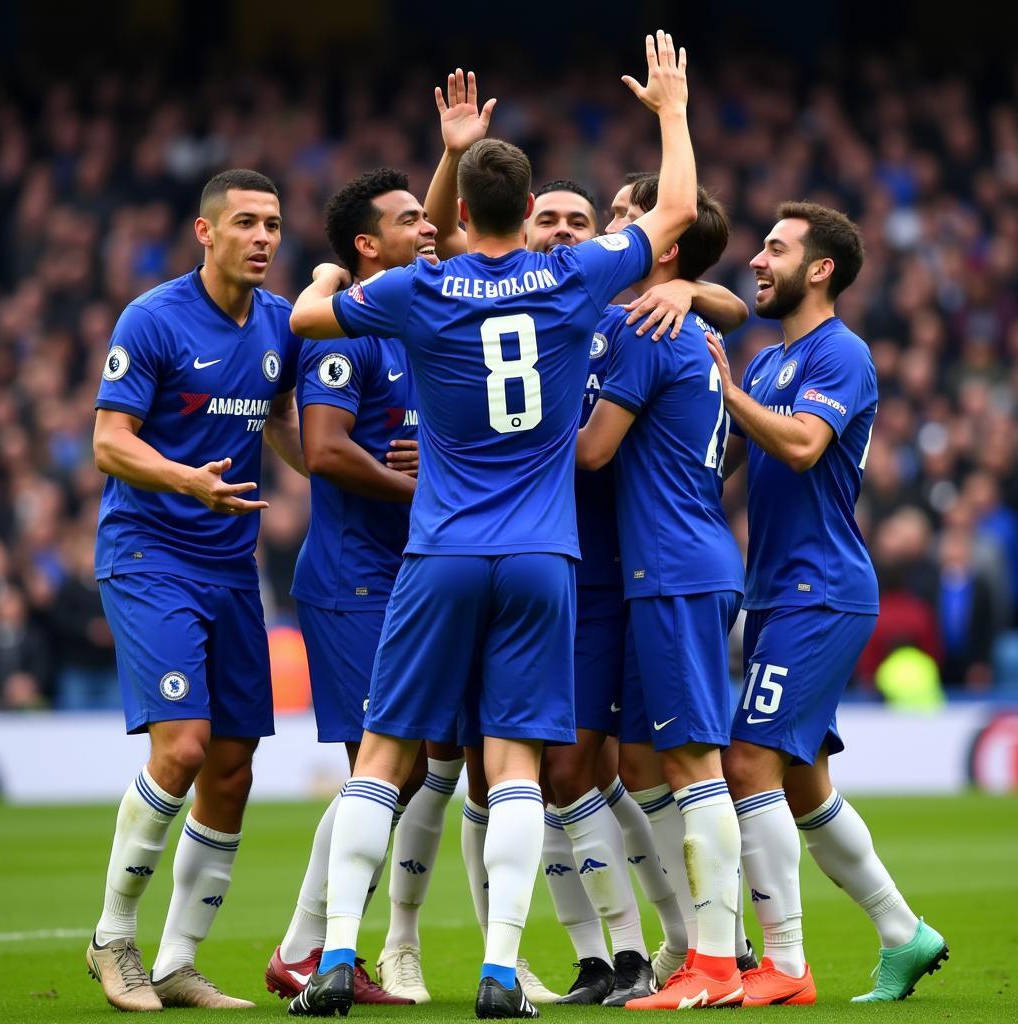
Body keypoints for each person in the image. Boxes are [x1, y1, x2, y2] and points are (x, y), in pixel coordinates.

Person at [286, 32, 700, 1019]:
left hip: (439, 551)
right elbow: (680, 210)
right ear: (531, 214)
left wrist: (320, 279)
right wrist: (672, 111)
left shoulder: (420, 290)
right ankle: (503, 971)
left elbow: (312, 320)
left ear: (462, 213)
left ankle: (339, 955)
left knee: (386, 756)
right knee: (516, 765)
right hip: (543, 557)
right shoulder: (576, 279)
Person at [704, 201, 947, 1004]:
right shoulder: (774, 361)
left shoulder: (840, 355)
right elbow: (716, 467)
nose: (758, 260)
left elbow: (805, 446)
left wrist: (730, 394)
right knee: (802, 785)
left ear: (820, 269)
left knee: (747, 761)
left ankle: (782, 965)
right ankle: (905, 935)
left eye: (775, 248)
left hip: (821, 589)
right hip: (775, 592)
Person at [87, 169, 305, 1011]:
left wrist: (332, 469)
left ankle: (176, 961)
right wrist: (187, 480)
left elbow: (281, 418)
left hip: (229, 567)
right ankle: (113, 939)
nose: (263, 238)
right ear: (204, 233)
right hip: (150, 556)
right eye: (246, 223)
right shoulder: (152, 318)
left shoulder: (280, 326)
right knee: (180, 749)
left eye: (274, 225)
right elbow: (110, 443)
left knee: (232, 768)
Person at [265, 168, 456, 1008]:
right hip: (353, 578)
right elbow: (330, 450)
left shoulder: (422, 318)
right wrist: (425, 490)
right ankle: (313, 950)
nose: (429, 227)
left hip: (412, 576)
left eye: (430, 214)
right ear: (367, 246)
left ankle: (309, 945)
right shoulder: (345, 332)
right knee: (379, 770)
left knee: (400, 773)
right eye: (410, 219)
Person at [576, 180, 747, 1009]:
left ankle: (721, 961)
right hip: (676, 562)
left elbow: (593, 454)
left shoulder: (649, 326)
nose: (617, 232)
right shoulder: (691, 321)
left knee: (689, 763)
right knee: (644, 761)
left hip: (675, 567)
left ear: (666, 243)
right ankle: (698, 942)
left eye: (625, 219)